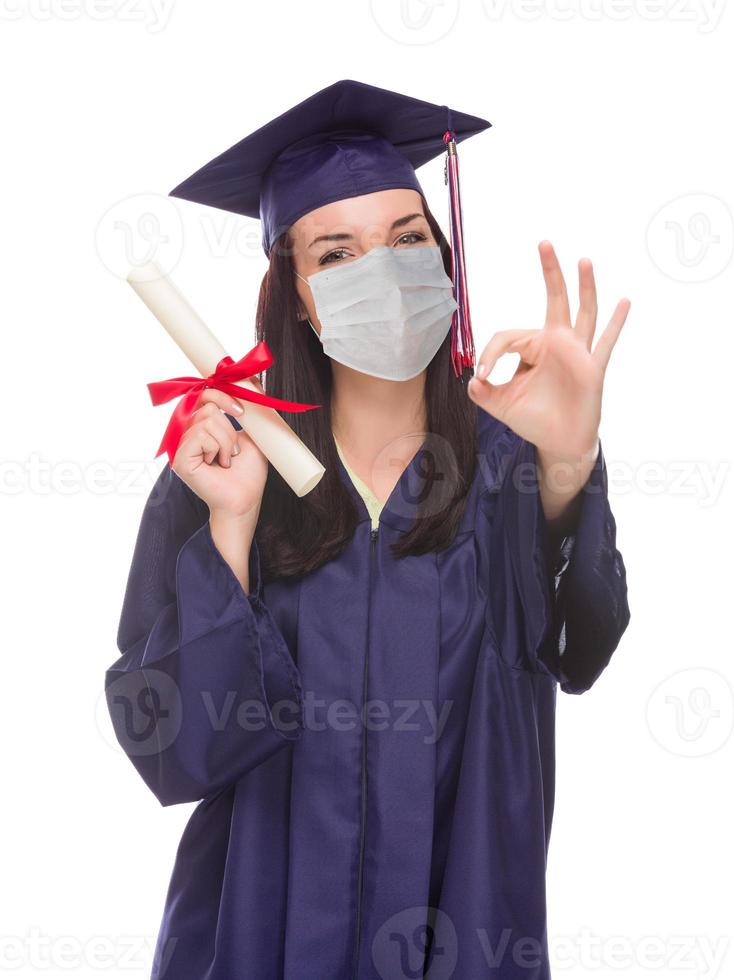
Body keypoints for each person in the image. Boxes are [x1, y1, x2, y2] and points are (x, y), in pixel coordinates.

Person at [105, 79, 631, 980]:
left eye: (407, 239)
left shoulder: (516, 458)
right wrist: (230, 530)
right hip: (255, 938)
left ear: (444, 257)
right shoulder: (228, 466)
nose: (381, 272)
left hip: (467, 929)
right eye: (337, 253)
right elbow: (175, 752)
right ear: (299, 295)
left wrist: (568, 467)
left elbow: (581, 649)